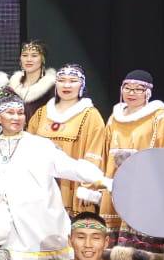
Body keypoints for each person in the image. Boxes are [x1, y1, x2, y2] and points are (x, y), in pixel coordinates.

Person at [0, 97, 109, 260]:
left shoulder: (40, 145)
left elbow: (69, 166)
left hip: (42, 216)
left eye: (20, 113)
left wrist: (100, 179)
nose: (16, 117)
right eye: (10, 113)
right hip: (12, 220)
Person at [98, 70, 164, 248]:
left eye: (138, 89)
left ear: (147, 93)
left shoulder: (158, 116)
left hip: (144, 182)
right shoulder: (114, 118)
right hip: (116, 182)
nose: (131, 93)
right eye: (127, 88)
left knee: (140, 242)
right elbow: (104, 152)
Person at [26, 64, 107, 212]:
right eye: (62, 80)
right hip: (42, 186)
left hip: (73, 187)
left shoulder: (91, 115)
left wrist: (88, 186)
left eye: (73, 81)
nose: (66, 85)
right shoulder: (41, 113)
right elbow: (27, 149)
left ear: (82, 85)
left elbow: (95, 153)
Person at [8, 40, 56, 117]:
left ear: (42, 59)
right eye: (25, 55)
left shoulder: (52, 87)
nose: (28, 59)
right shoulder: (12, 85)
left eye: (34, 55)